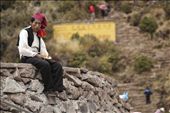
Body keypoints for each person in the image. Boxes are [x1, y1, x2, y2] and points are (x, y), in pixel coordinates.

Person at [17, 14, 65, 93]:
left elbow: (43, 50)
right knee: (45, 65)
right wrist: (35, 55)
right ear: (31, 23)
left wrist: (46, 56)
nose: (37, 25)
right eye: (35, 23)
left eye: (39, 24)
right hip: (27, 57)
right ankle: (49, 89)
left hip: (37, 57)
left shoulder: (39, 36)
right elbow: (22, 50)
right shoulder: (24, 32)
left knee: (57, 65)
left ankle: (58, 89)